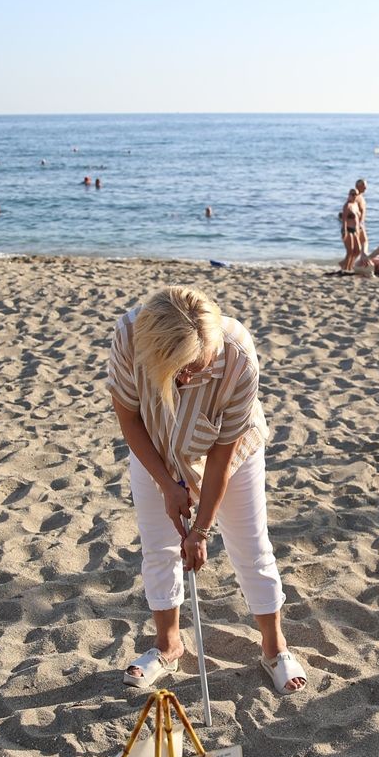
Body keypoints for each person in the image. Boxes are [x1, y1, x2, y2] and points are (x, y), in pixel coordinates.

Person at [108, 285, 307, 695]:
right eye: (177, 369)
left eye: (195, 367)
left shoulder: (237, 357)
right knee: (158, 547)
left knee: (250, 545)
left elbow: (221, 457)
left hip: (227, 448)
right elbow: (129, 419)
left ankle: (274, 648)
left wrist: (200, 530)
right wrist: (167, 485)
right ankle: (168, 646)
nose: (186, 378)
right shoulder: (128, 337)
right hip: (155, 444)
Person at [339, 188, 361, 272]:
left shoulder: (356, 204)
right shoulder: (347, 206)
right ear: (349, 195)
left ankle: (350, 266)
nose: (354, 196)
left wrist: (359, 229)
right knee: (350, 251)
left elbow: (358, 219)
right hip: (348, 229)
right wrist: (344, 231)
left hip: (355, 230)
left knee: (357, 250)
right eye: (352, 194)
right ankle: (346, 268)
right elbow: (344, 219)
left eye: (356, 194)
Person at [355, 179, 368, 251]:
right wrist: (360, 223)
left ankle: (362, 255)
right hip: (359, 224)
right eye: (363, 185)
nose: (365, 187)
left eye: (365, 185)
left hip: (360, 223)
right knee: (364, 242)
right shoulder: (357, 197)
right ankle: (363, 256)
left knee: (362, 243)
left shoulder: (360, 197)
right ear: (357, 186)